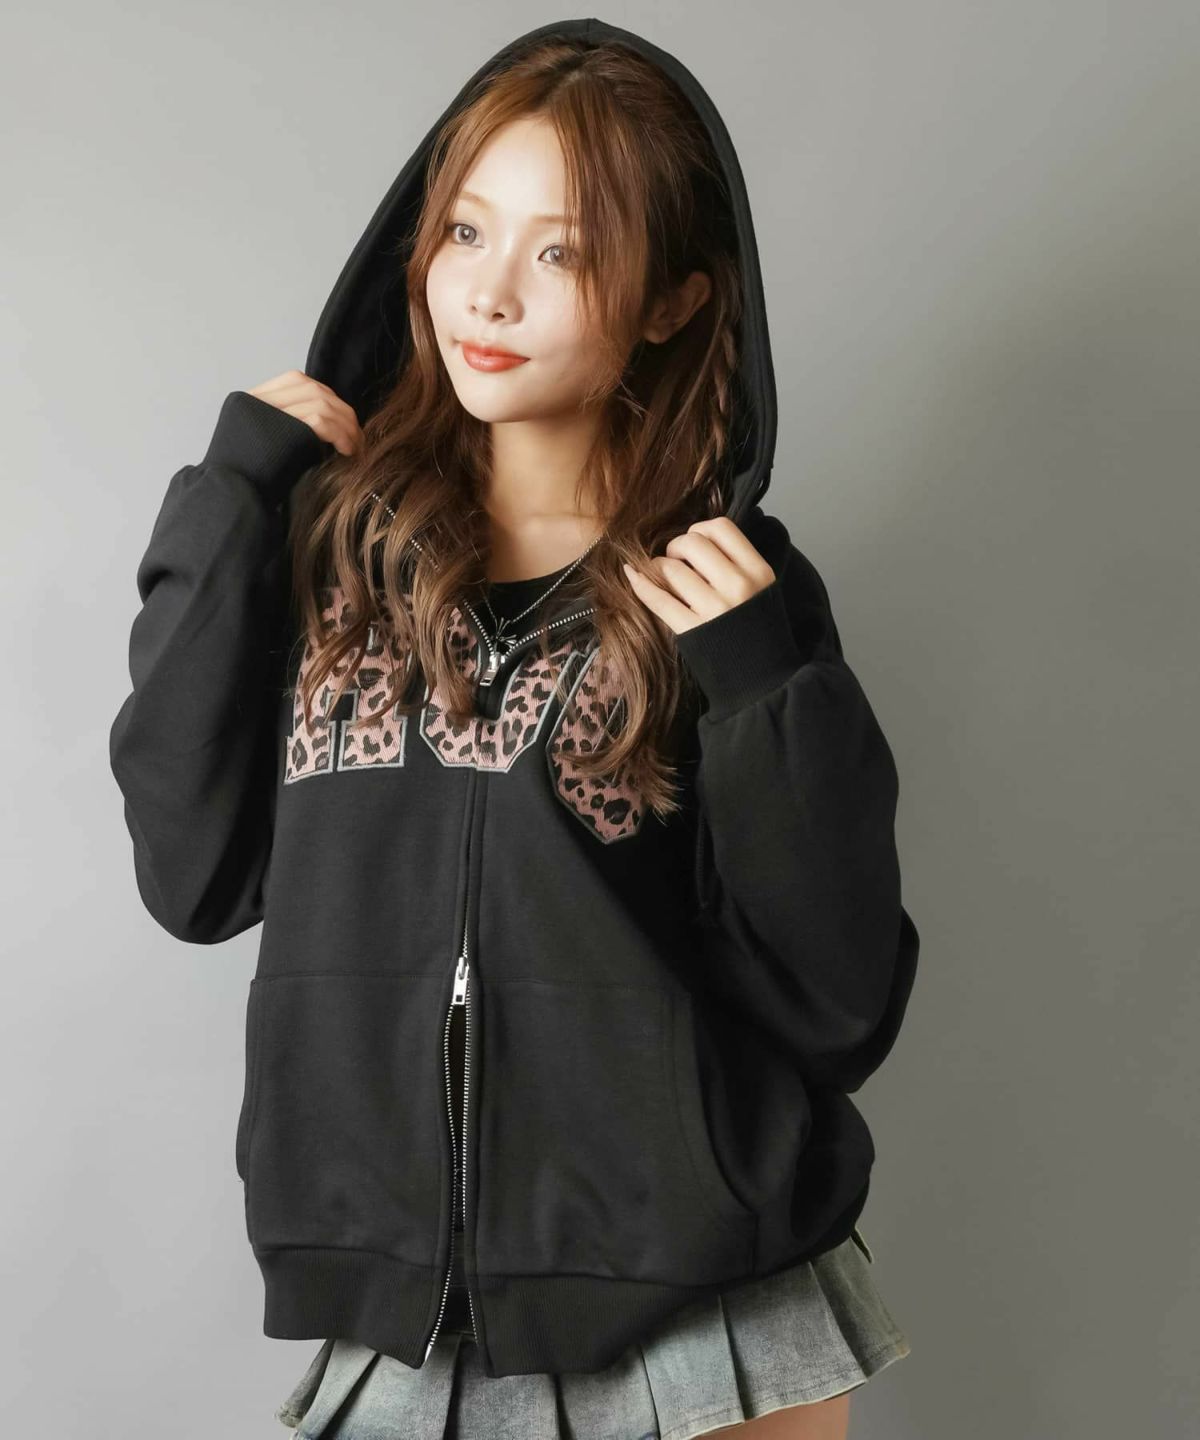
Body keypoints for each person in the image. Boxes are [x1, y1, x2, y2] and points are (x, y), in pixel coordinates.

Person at [109, 17, 919, 1440]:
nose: (487, 292)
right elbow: (195, 878)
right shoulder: (324, 558)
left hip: (708, 1305)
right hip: (407, 1312)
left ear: (669, 301)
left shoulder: (730, 598)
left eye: (563, 252)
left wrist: (762, 686)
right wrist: (227, 506)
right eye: (466, 231)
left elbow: (832, 1001)